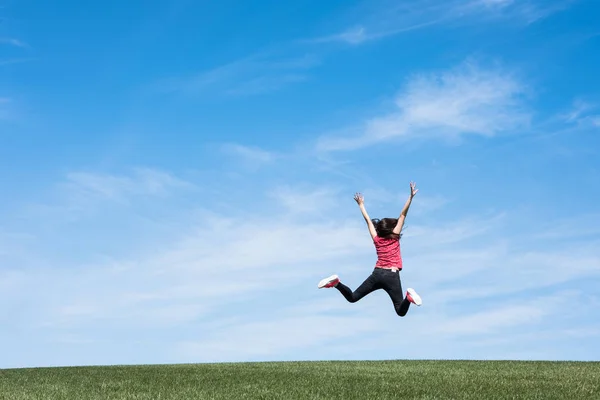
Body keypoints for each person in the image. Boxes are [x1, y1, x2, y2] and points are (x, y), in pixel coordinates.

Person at [318, 182, 422, 316]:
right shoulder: (394, 236)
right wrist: (410, 197)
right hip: (391, 276)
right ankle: (408, 297)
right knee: (400, 311)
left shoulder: (376, 239)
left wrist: (361, 205)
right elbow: (402, 215)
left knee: (353, 297)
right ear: (391, 228)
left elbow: (368, 221)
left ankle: (337, 283)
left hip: (377, 274)